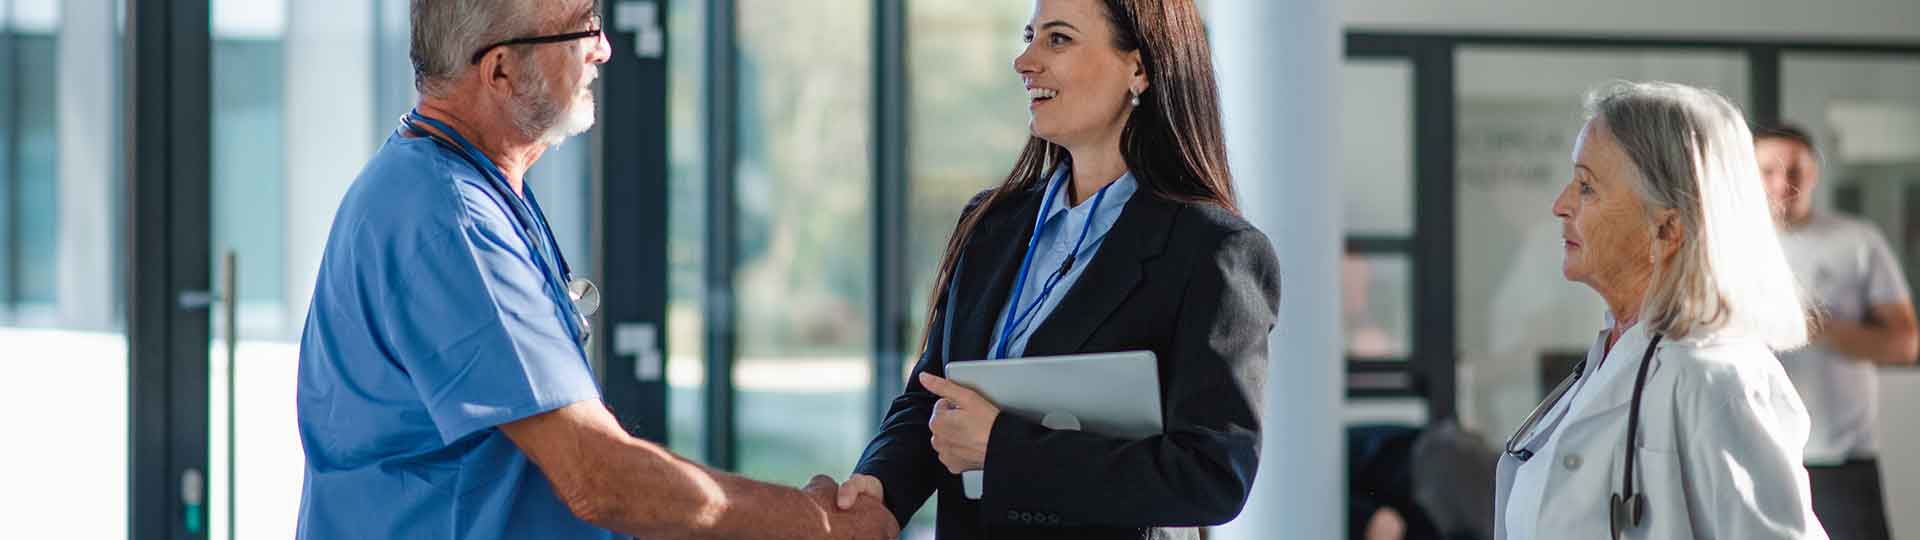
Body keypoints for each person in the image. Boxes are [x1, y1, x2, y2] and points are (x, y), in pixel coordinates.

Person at [294, 1, 895, 538]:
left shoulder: (465, 188)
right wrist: (813, 524)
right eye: (581, 26)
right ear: (499, 70)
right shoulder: (449, 219)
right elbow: (596, 474)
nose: (603, 47)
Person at [832, 0, 1281, 538]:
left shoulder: (1214, 251)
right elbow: (932, 394)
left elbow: (1210, 477)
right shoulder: (989, 224)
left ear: (1138, 69)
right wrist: (880, 486)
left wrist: (1001, 450)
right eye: (1029, 36)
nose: (1024, 61)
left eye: (1058, 39)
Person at [1494, 81, 1826, 539]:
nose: (1560, 205)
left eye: (1587, 187)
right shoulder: (1616, 352)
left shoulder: (1717, 378)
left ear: (1667, 228)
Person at [1754, 122, 1918, 540]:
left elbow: (1904, 346)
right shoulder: (1725, 248)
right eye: (1768, 171)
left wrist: (1818, 326)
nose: (1783, 183)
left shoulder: (1858, 240)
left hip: (1842, 460)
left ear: (1814, 174)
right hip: (1755, 453)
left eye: (1795, 170)